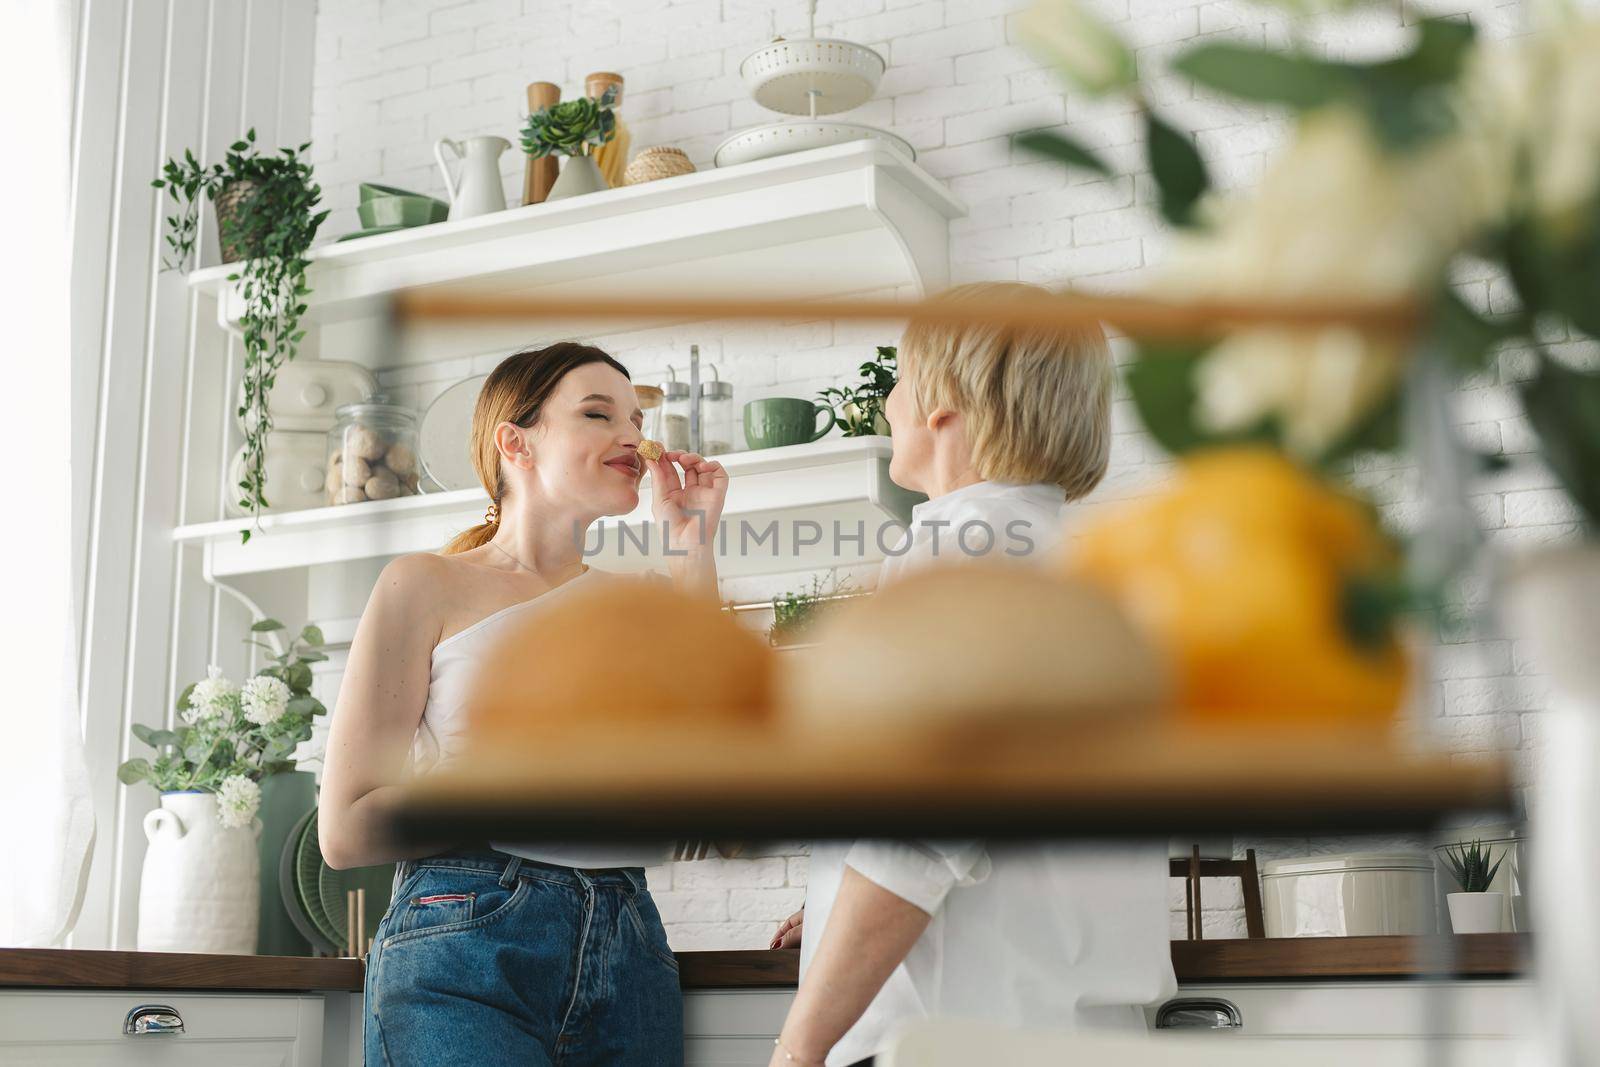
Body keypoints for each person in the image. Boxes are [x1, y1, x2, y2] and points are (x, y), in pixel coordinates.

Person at [766, 283, 1177, 1067]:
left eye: (899, 379)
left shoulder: (958, 557)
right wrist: (833, 905)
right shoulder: (1097, 576)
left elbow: (917, 840)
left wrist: (799, 1046)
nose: (887, 404)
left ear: (944, 404)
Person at [318, 342, 728, 1067]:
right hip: (468, 931)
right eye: (598, 413)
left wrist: (692, 550)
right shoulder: (424, 585)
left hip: (628, 941)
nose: (631, 434)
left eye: (635, 417)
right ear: (516, 441)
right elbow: (346, 828)